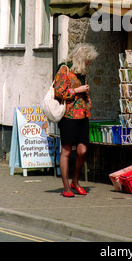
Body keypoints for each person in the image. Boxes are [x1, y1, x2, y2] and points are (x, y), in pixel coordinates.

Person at [54, 43, 98, 197]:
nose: (88, 63)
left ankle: (75, 181)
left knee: (82, 150)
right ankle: (66, 187)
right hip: (68, 115)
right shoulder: (64, 69)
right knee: (66, 150)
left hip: (83, 115)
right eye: (87, 60)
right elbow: (59, 92)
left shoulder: (80, 72)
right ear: (80, 58)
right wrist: (78, 90)